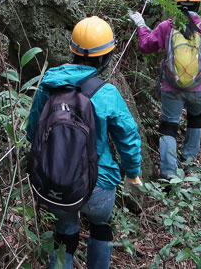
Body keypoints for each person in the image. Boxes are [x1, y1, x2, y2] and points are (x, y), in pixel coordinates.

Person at [26, 16, 143, 269]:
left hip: (55, 181)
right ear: (105, 58)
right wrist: (133, 174)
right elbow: (128, 136)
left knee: (64, 233)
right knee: (102, 226)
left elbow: (31, 133)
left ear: (73, 50)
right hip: (99, 184)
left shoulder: (48, 86)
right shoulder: (107, 93)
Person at [128, 0, 201, 179]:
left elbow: (146, 46)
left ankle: (168, 172)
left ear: (176, 5)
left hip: (171, 85)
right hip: (199, 87)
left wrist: (141, 26)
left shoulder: (167, 27)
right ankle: (189, 161)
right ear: (198, 6)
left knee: (168, 126)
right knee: (195, 118)